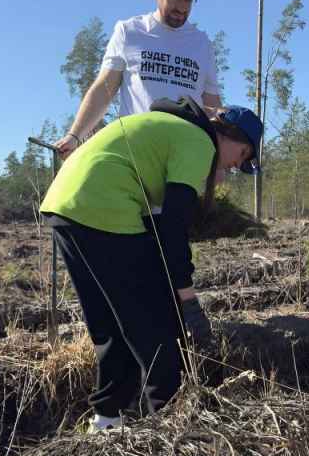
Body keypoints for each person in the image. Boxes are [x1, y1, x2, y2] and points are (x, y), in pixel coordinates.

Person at [41, 95, 262, 431]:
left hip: (65, 204)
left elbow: (158, 230)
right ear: (229, 134)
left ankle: (107, 420)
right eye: (242, 155)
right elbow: (173, 228)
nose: (234, 167)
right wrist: (187, 300)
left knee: (111, 321)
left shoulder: (171, 128)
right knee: (155, 322)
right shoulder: (199, 141)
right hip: (103, 204)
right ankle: (171, 424)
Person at [55, 0, 222, 158]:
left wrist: (219, 156)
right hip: (134, 153)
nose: (182, 8)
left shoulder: (202, 44)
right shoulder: (129, 32)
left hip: (184, 157)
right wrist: (74, 136)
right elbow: (104, 89)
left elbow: (212, 105)